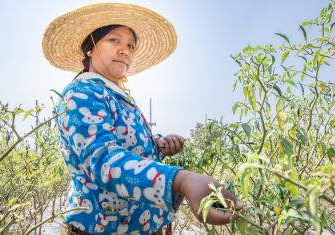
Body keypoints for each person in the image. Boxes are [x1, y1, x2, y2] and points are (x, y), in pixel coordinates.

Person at [42, 3, 242, 235]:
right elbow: (104, 162)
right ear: (90, 48)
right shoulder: (82, 93)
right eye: (114, 40)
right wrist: (182, 180)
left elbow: (125, 145)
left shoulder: (115, 95)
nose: (125, 49)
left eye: (130, 45)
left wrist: (157, 145)